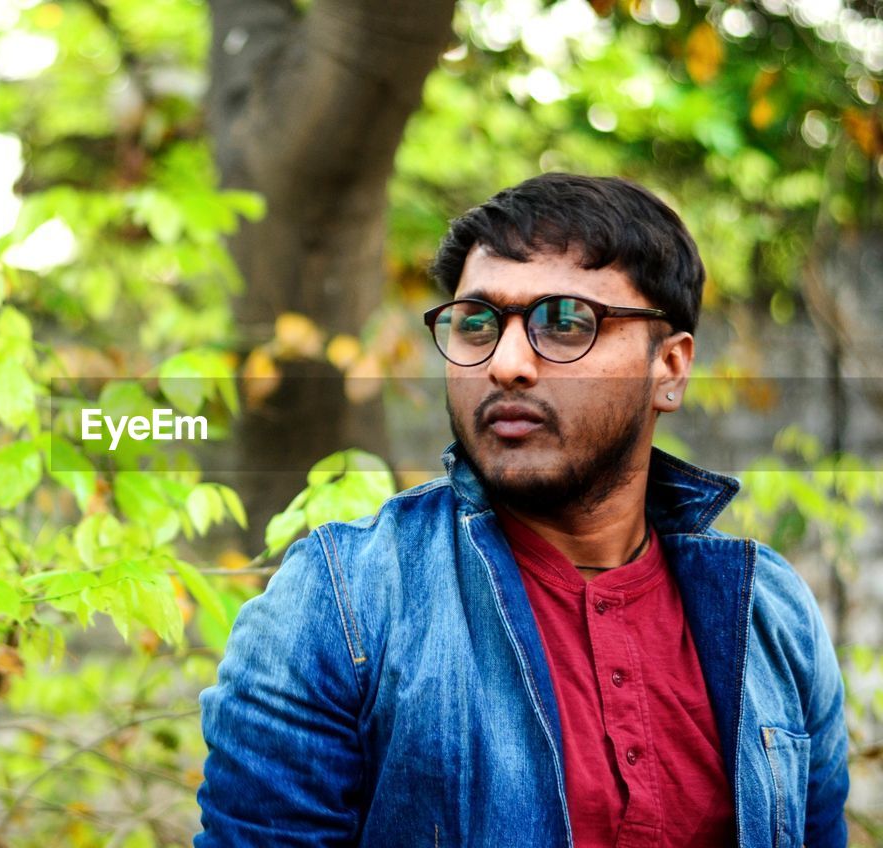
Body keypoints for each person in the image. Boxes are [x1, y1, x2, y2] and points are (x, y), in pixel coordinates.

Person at [195, 173, 850, 847]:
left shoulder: (770, 616)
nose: (507, 363)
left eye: (564, 322)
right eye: (476, 323)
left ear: (671, 368)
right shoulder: (344, 602)